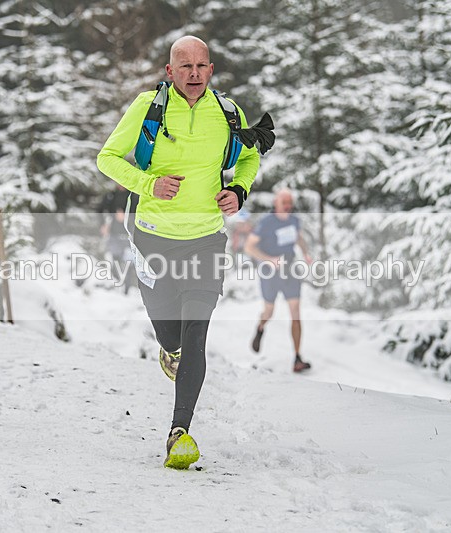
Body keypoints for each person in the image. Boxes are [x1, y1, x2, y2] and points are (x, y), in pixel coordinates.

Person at [96, 36, 270, 469]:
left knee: (197, 332)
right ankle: (167, 350)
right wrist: (148, 184)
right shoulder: (147, 108)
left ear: (211, 70)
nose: (194, 73)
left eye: (201, 65)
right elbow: (108, 158)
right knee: (171, 335)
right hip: (153, 237)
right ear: (170, 72)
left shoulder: (228, 113)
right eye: (184, 66)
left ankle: (179, 433)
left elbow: (249, 158)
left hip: (207, 239)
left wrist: (238, 189)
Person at [244, 189, 313, 373]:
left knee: (296, 312)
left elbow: (298, 237)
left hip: (290, 269)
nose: (288, 207)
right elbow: (249, 247)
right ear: (276, 204)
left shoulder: (293, 220)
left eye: (290, 204)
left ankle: (297, 358)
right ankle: (260, 328)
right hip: (269, 272)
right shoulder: (266, 223)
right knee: (269, 310)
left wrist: (306, 252)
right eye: (285, 204)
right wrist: (269, 260)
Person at [99, 184, 138, 294]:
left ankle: (127, 288)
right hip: (114, 234)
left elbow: (140, 214)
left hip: (129, 235)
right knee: (114, 259)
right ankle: (116, 286)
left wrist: (127, 218)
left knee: (128, 263)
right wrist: (103, 225)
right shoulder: (111, 195)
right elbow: (101, 210)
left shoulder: (134, 196)